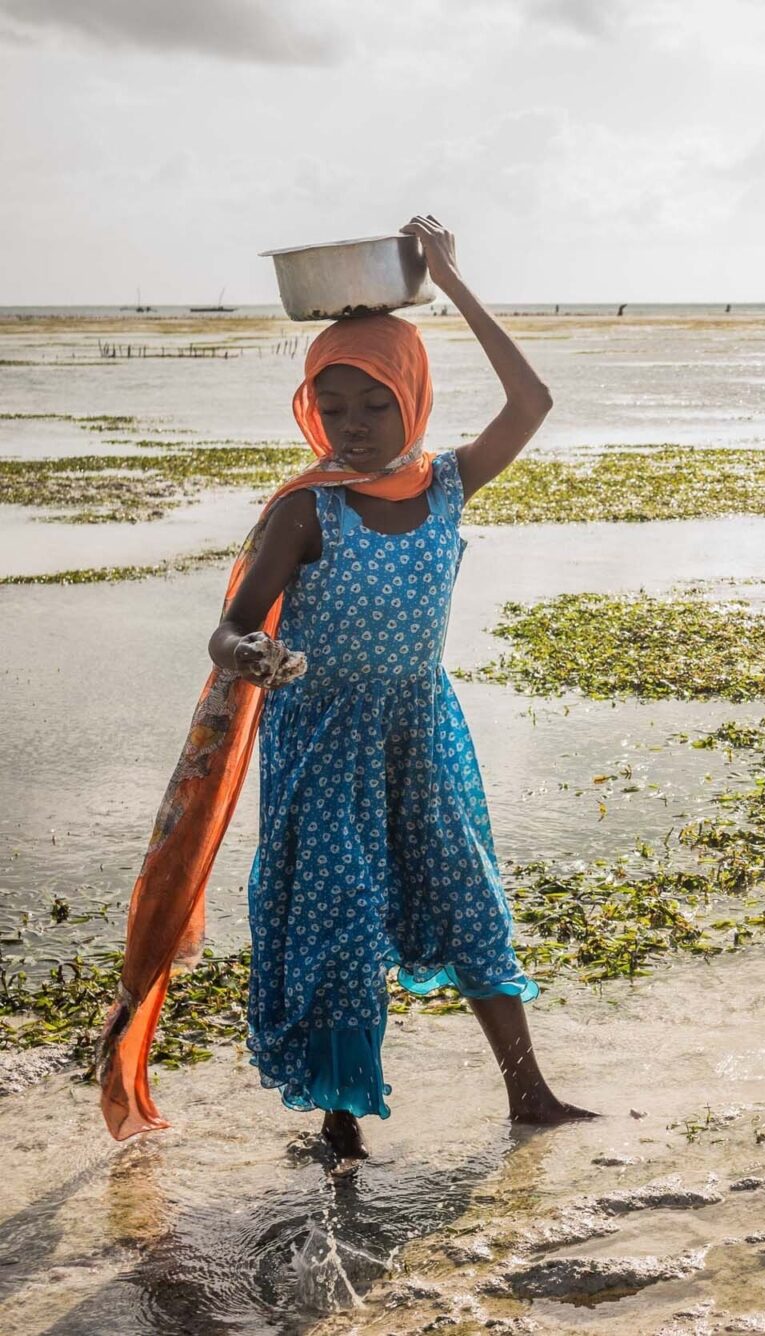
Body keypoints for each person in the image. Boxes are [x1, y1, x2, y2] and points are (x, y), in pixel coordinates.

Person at [97, 217, 592, 1158]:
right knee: (339, 923)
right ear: (309, 412)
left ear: (413, 396)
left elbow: (531, 398)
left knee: (466, 897)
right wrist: (251, 658)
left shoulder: (447, 484)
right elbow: (231, 628)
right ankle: (341, 1128)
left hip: (421, 732)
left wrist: (449, 284)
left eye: (374, 404)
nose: (353, 427)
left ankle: (531, 1097)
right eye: (333, 408)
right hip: (322, 743)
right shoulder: (305, 509)